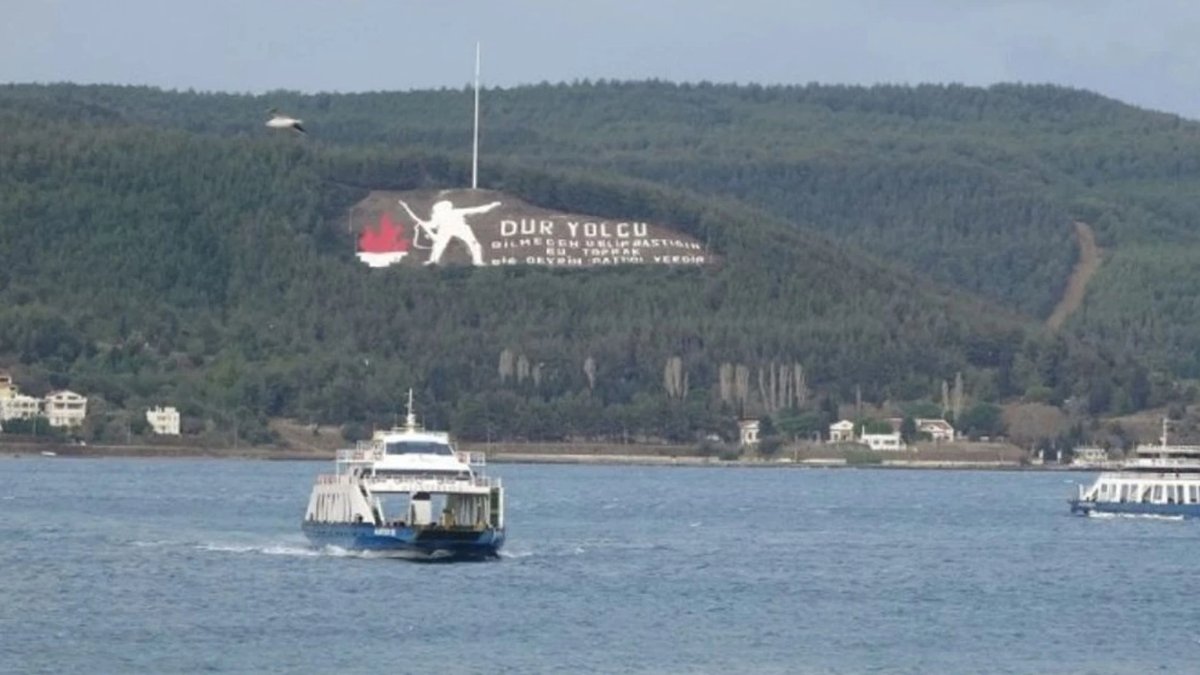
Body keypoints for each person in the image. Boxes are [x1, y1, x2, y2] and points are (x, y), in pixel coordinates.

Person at [399, 198, 501, 266]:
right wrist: (407, 209)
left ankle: (478, 261)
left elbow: (478, 210)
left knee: (474, 244)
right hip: (446, 229)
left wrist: (491, 206)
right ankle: (433, 261)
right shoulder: (439, 217)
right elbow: (423, 223)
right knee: (439, 245)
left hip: (461, 228)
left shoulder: (455, 212)